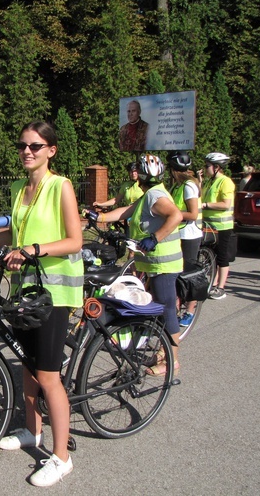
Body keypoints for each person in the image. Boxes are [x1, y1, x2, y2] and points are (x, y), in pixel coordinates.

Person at [0, 121, 83, 487]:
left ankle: (62, 457)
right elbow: (16, 231)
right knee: (27, 366)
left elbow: (75, 240)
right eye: (22, 145)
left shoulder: (61, 186)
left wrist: (32, 250)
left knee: (47, 375)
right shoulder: (17, 188)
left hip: (55, 293)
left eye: (36, 145)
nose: (27, 151)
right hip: (25, 289)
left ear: (51, 150)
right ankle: (33, 431)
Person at [98, 154, 183, 375]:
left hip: (162, 263)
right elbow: (126, 211)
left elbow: (175, 216)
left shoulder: (154, 195)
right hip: (154, 262)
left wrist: (154, 238)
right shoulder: (150, 194)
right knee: (158, 307)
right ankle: (163, 352)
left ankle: (172, 361)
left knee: (167, 310)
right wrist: (98, 218)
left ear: (141, 177)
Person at [167, 151, 203, 327]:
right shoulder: (177, 186)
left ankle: (189, 311)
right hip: (177, 234)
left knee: (188, 276)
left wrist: (173, 214)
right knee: (175, 275)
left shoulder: (189, 186)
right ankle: (174, 307)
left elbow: (193, 214)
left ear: (173, 169)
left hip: (189, 236)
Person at [201, 152, 235, 300]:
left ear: (216, 167)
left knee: (222, 257)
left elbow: (225, 204)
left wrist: (206, 204)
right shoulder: (210, 182)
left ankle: (221, 287)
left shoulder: (225, 182)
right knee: (211, 256)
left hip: (222, 226)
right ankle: (213, 284)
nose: (205, 168)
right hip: (209, 225)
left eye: (207, 166)